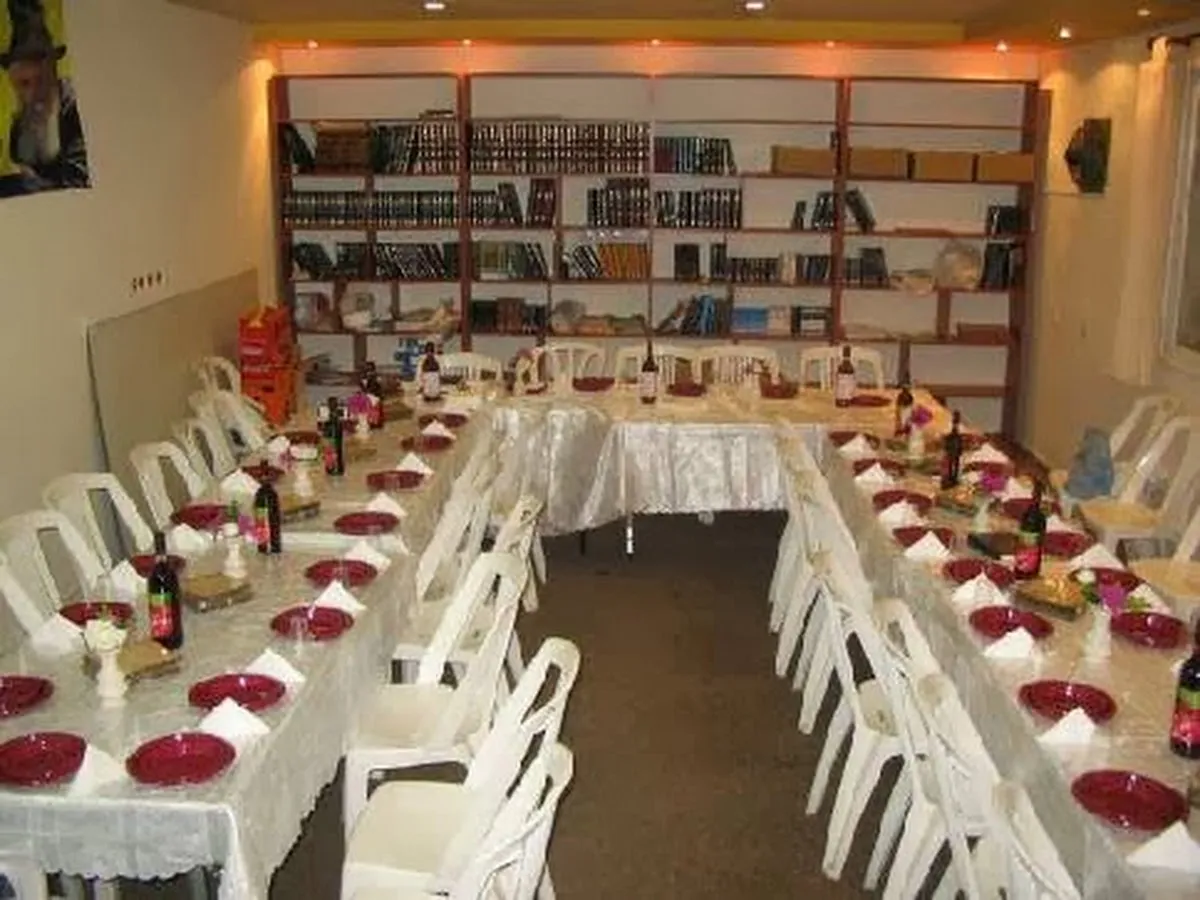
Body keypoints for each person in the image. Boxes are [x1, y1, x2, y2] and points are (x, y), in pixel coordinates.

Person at [0, 0, 89, 193]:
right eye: (23, 84)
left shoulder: (72, 109)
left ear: (53, 72)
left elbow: (79, 183)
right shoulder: (21, 121)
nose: (32, 94)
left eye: (40, 81)